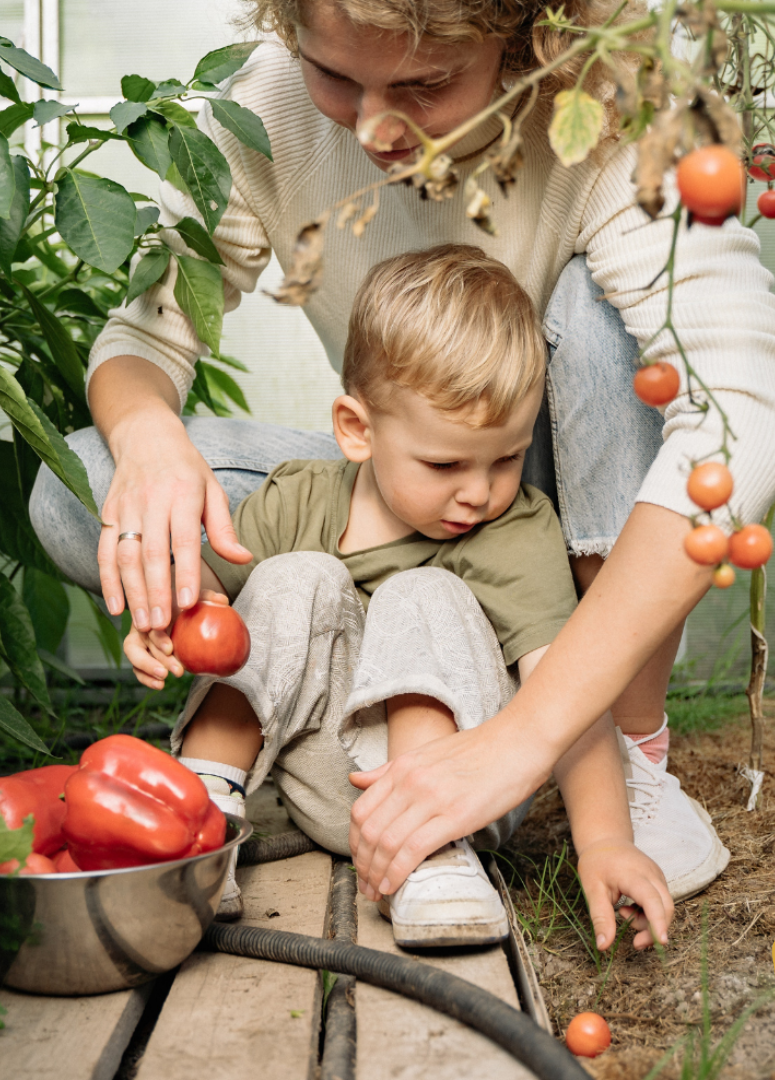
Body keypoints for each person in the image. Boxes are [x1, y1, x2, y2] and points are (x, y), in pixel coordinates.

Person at [30, 0, 775, 909]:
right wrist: (150, 435)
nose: (373, 128)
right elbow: (144, 337)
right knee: (81, 486)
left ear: (525, 45)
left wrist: (525, 743)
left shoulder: (616, 111)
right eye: (334, 76)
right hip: (403, 479)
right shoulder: (259, 107)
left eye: (426, 84)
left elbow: (739, 420)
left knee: (609, 326)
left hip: (536, 497)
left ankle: (624, 751)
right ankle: (331, 695)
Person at [123, 245, 672, 949]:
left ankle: (430, 858)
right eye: (445, 463)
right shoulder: (299, 497)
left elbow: (568, 700)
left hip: (461, 790)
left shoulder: (514, 532)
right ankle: (201, 812)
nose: (479, 491)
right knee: (294, 577)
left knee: (424, 591)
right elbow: (210, 605)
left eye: (507, 457)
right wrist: (170, 614)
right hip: (307, 784)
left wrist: (602, 842)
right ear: (357, 430)